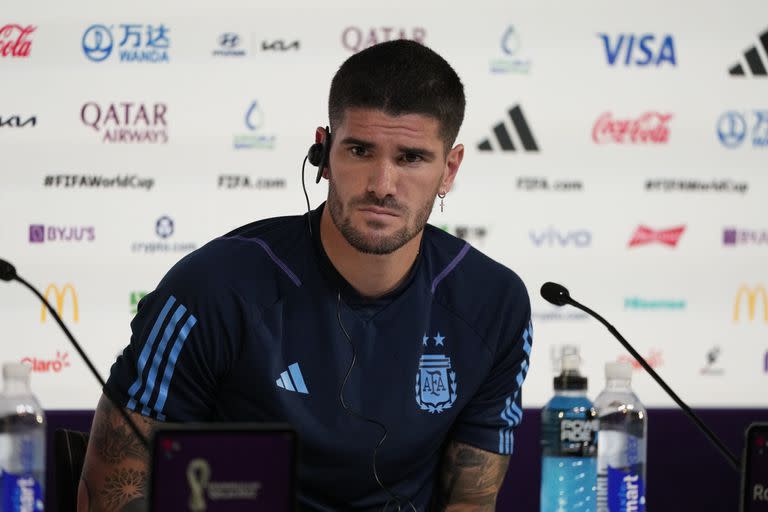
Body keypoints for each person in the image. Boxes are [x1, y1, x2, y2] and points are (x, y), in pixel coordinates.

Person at [78, 39, 533, 512]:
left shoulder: (493, 303)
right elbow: (111, 494)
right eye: (359, 150)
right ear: (323, 152)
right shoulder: (211, 289)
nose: (381, 185)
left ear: (449, 169)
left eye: (410, 158)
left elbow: (471, 501)